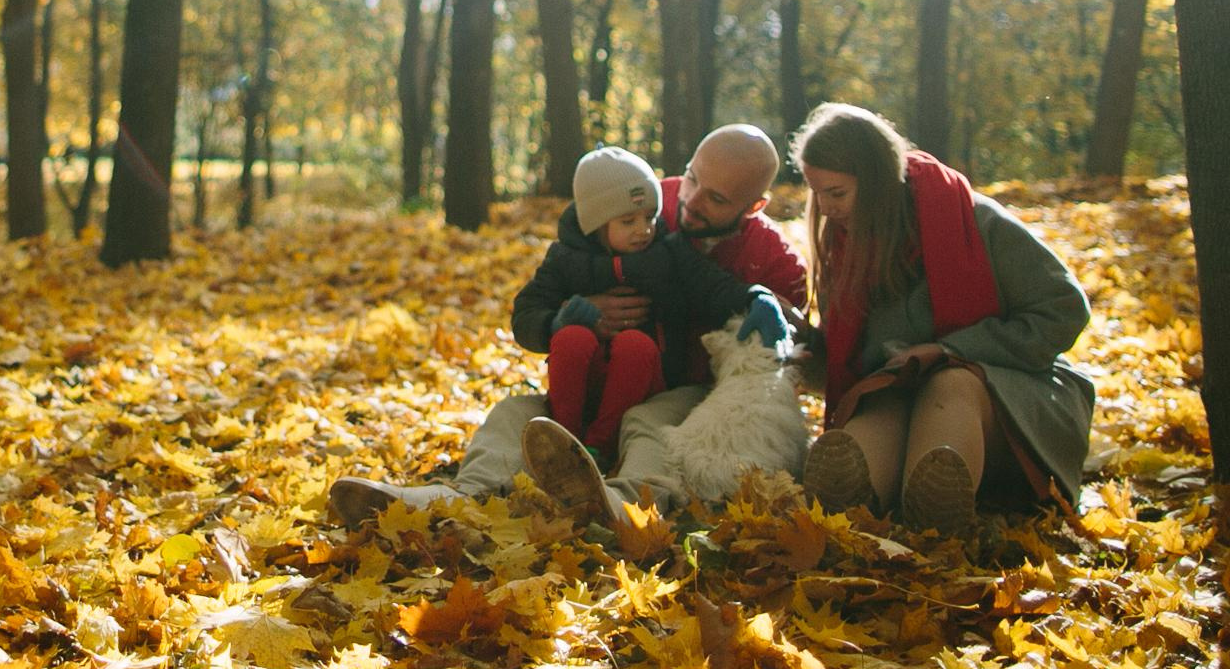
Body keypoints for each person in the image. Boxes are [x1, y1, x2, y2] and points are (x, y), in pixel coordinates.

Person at [329, 124, 808, 532]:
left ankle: (623, 505)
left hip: (680, 389)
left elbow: (779, 362)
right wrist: (572, 314)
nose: (690, 201)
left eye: (717, 198)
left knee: (651, 429)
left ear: (755, 206)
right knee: (519, 412)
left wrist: (766, 305)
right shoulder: (639, 196)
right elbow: (539, 301)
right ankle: (452, 498)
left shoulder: (774, 262)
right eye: (693, 178)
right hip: (594, 377)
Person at [788, 102, 1095, 530]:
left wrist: (950, 350)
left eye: (836, 193)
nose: (825, 207)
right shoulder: (844, 248)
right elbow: (854, 358)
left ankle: (936, 517)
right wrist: (802, 344)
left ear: (877, 182)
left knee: (950, 382)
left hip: (1004, 393)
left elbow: (1063, 308)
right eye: (815, 191)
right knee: (870, 423)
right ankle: (861, 517)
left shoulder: (974, 220)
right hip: (898, 389)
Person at [513, 145, 782, 456]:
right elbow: (525, 314)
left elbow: (712, 286)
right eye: (628, 221)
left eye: (650, 217)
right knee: (571, 339)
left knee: (635, 347)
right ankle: (561, 440)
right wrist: (555, 322)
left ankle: (597, 448)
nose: (643, 230)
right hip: (579, 388)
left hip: (648, 388)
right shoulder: (564, 260)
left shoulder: (669, 252)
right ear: (596, 224)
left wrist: (755, 296)